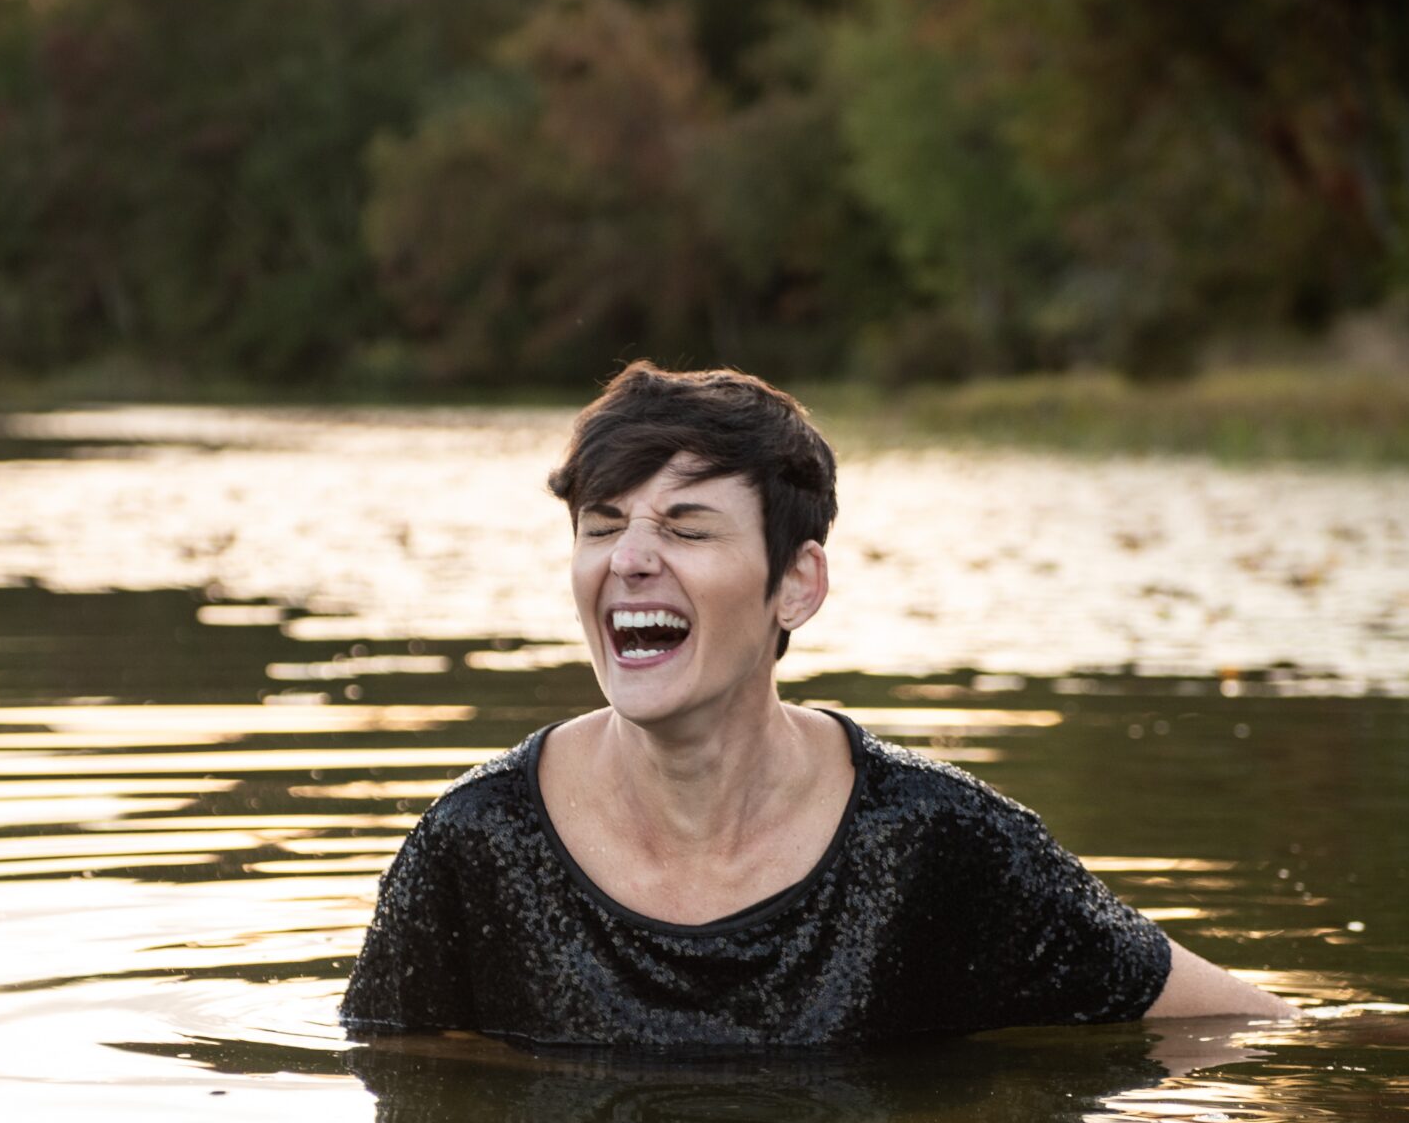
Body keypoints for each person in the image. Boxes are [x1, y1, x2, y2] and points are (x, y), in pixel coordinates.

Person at [340, 360, 1291, 1047]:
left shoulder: (937, 839)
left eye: (686, 528)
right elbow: (398, 1086)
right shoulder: (477, 842)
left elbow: (1246, 1024)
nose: (628, 559)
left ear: (797, 585)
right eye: (603, 526)